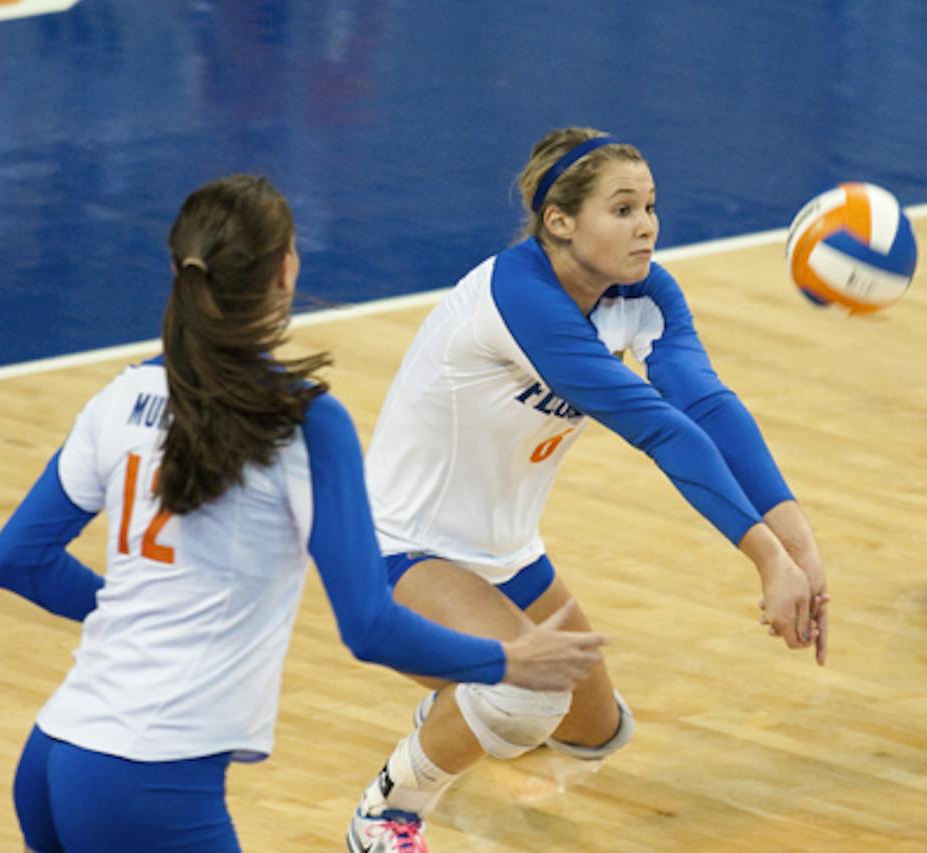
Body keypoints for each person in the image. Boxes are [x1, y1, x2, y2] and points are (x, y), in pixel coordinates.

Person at [0, 174, 606, 853]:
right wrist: (505, 660)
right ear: (287, 271)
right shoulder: (303, 422)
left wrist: (135, 606)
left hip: (52, 754)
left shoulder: (121, 396)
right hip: (149, 781)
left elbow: (16, 560)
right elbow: (369, 625)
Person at [347, 127, 830, 852]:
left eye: (651, 206)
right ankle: (388, 809)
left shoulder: (644, 295)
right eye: (624, 208)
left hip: (507, 556)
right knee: (529, 693)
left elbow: (705, 407)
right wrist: (764, 559)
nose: (647, 226)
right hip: (399, 550)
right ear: (560, 221)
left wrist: (801, 547)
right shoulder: (521, 296)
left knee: (598, 730)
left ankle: (461, 706)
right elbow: (661, 429)